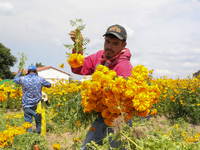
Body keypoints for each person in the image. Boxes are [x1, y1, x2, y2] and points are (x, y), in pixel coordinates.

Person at [70, 24, 133, 149]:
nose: (109, 46)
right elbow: (78, 68)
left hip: (120, 118)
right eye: (107, 42)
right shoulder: (99, 57)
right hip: (101, 115)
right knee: (87, 147)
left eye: (115, 43)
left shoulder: (124, 67)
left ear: (123, 46)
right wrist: (78, 46)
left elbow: (128, 101)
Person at [14, 65, 51, 134]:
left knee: (28, 122)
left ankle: (29, 137)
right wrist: (41, 80)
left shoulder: (23, 79)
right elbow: (49, 85)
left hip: (26, 104)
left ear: (28, 72)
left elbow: (15, 80)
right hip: (37, 105)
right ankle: (38, 136)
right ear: (36, 71)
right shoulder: (40, 79)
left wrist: (19, 73)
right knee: (38, 122)